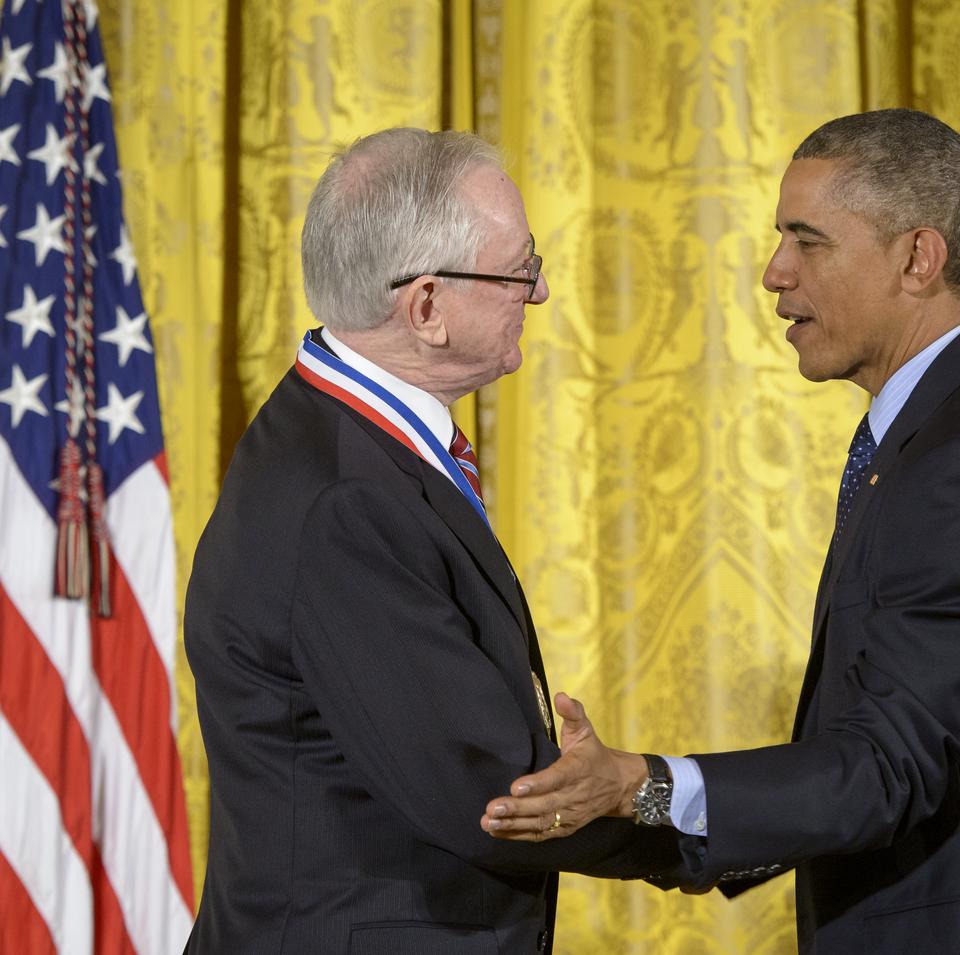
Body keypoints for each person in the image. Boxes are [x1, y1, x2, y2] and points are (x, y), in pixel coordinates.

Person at [480, 110, 960, 954]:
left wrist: (642, 785)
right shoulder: (932, 437)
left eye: (808, 240)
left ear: (917, 258)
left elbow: (886, 769)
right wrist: (617, 806)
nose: (773, 272)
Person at [183, 128, 680, 955]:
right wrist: (700, 812)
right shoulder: (347, 502)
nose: (542, 289)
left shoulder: (329, 436)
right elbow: (494, 799)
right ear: (425, 307)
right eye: (521, 267)